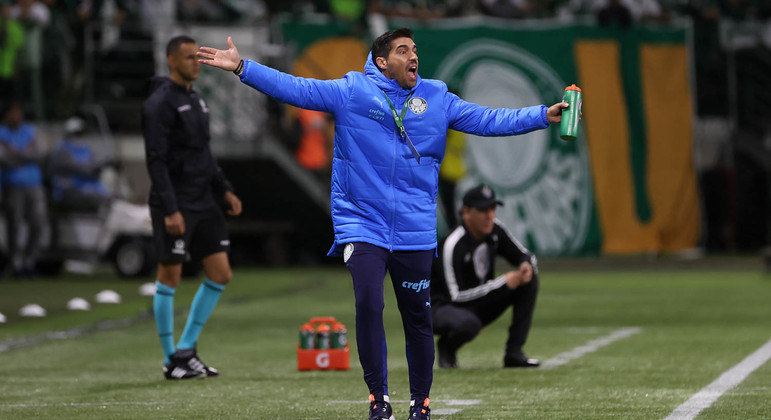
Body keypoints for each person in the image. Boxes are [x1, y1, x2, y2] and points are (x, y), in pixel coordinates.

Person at [197, 28, 568, 419]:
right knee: (369, 302)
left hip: (414, 227)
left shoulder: (437, 97)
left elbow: (489, 119)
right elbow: (298, 89)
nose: (413, 57)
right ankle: (379, 400)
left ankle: (420, 404)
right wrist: (242, 67)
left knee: (418, 319)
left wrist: (542, 115)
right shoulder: (353, 91)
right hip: (362, 222)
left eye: (415, 50)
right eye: (403, 50)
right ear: (381, 62)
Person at [141, 35, 243, 380]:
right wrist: (170, 209)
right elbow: (155, 161)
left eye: (196, 57)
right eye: (187, 58)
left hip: (204, 199)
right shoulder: (158, 104)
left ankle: (185, 351)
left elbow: (204, 152)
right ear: (171, 60)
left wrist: (224, 189)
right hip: (176, 202)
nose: (194, 63)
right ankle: (172, 359)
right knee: (170, 274)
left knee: (221, 273)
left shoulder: (197, 100)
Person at [431, 184, 540, 369]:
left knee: (529, 279)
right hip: (440, 307)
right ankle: (447, 346)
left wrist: (525, 265)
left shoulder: (495, 230)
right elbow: (455, 296)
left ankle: (514, 353)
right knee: (469, 323)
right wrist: (503, 283)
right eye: (483, 210)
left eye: (492, 208)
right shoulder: (453, 244)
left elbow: (525, 255)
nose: (490, 215)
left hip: (476, 302)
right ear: (466, 212)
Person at [0, 101, 48, 278]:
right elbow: (3, 158)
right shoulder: (2, 133)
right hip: (12, 186)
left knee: (38, 222)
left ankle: (29, 261)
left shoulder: (30, 131)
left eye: (18, 112)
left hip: (34, 185)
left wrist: (16, 153)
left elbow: (39, 154)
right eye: (12, 113)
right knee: (14, 225)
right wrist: (25, 155)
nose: (15, 116)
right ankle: (15, 262)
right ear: (6, 115)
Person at [48, 117, 112, 211]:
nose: (77, 137)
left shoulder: (83, 147)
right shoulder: (62, 150)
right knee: (100, 198)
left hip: (88, 186)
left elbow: (96, 160)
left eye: (79, 134)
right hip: (68, 189)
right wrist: (96, 166)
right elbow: (82, 168)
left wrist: (107, 162)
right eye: (75, 134)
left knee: (112, 196)